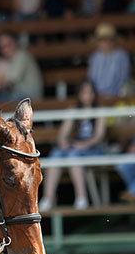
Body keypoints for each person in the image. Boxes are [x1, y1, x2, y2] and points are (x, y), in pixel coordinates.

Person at [38, 81, 107, 211]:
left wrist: (83, 145)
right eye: (84, 92)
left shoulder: (100, 111)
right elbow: (63, 134)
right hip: (74, 147)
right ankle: (48, 197)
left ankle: (81, 197)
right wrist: (64, 142)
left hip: (92, 149)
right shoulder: (74, 110)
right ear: (79, 95)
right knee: (55, 155)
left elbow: (98, 137)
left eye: (90, 92)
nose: (87, 95)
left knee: (73, 156)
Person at [87, 22, 131, 99]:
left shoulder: (121, 56)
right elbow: (91, 79)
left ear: (114, 40)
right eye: (103, 40)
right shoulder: (94, 57)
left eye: (109, 39)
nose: (106, 43)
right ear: (98, 42)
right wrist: (96, 95)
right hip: (96, 97)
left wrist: (112, 95)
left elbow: (123, 79)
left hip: (116, 96)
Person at [0, 31, 43, 100]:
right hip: (21, 96)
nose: (6, 49)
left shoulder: (21, 55)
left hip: (29, 97)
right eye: (2, 47)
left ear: (15, 43)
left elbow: (9, 81)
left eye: (8, 45)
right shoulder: (12, 58)